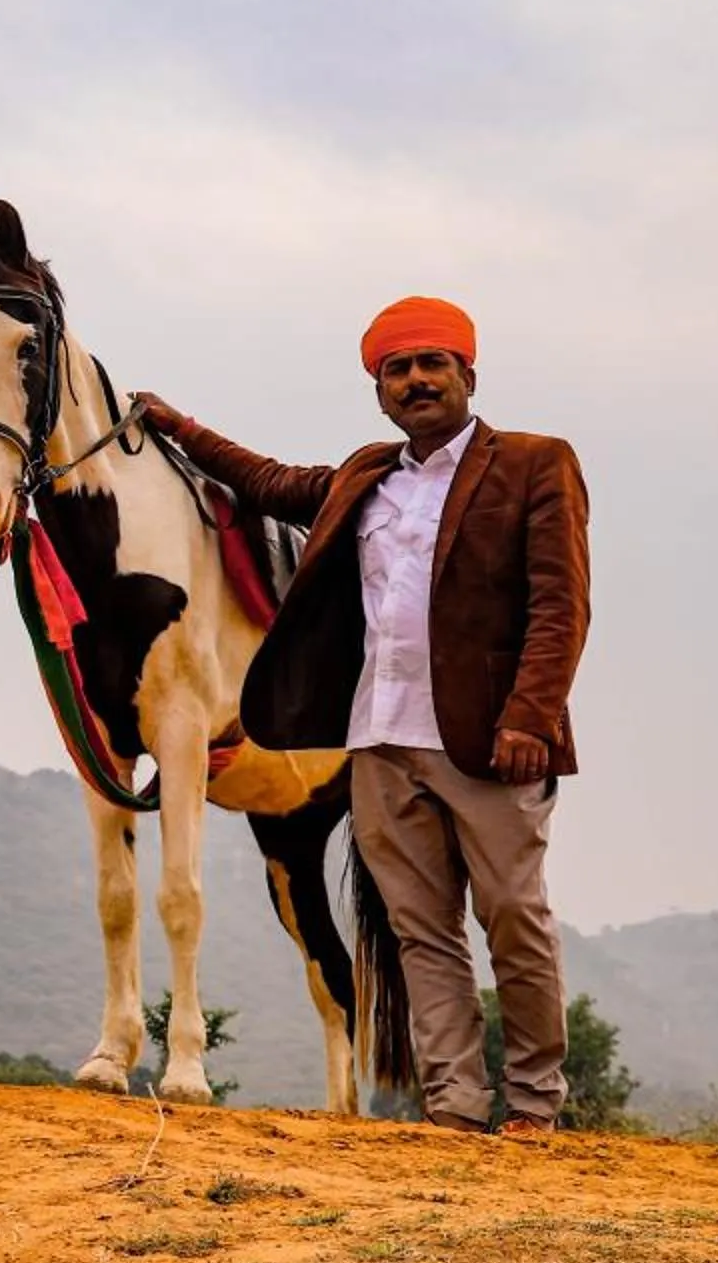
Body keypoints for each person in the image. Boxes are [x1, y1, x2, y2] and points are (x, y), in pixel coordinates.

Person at [137, 297, 590, 1134]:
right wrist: (177, 425)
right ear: (379, 390)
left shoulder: (534, 464)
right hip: (377, 742)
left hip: (491, 743)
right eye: (397, 369)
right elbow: (268, 483)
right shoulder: (364, 478)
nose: (416, 380)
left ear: (468, 376)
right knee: (423, 935)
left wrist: (532, 717)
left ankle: (533, 1105)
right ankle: (455, 1107)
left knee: (514, 920)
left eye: (432, 364)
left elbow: (561, 606)